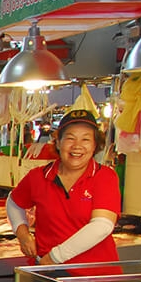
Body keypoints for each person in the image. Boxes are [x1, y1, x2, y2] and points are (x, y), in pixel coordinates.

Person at [8, 109, 119, 272]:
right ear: (58, 142)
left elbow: (102, 226)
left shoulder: (105, 176)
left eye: (86, 139)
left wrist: (55, 257)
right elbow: (14, 202)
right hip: (48, 273)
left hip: (95, 276)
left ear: (95, 145)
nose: (77, 146)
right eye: (70, 138)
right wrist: (23, 234)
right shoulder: (38, 176)